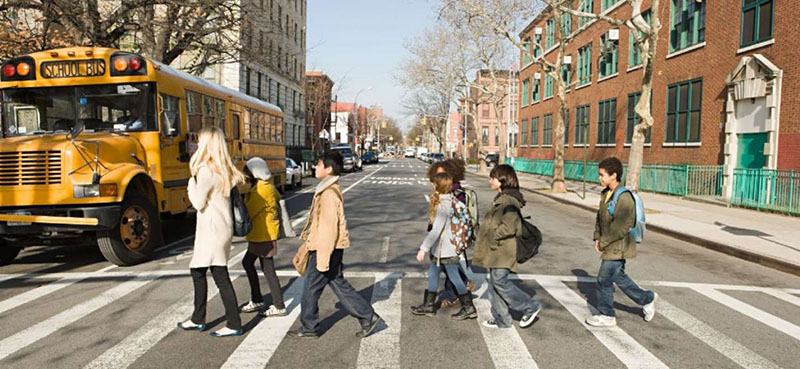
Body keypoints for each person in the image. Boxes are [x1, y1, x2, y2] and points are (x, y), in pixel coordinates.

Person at [287, 150, 381, 339]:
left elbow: (329, 228)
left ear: (328, 169)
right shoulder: (326, 189)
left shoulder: (328, 194)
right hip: (329, 248)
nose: (315, 167)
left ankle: (309, 327)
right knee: (338, 284)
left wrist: (323, 256)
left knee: (310, 289)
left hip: (325, 248)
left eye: (319, 164)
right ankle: (367, 316)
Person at [178, 126, 245, 337]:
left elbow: (198, 202)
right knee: (203, 271)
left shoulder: (206, 170)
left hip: (211, 229)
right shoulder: (225, 169)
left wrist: (190, 184)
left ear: (207, 144)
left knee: (214, 274)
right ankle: (200, 318)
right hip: (222, 228)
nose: (197, 144)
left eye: (200, 141)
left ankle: (231, 322)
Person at [586, 157, 657, 327]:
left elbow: (622, 227)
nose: (599, 178)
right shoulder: (605, 194)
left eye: (602, 175)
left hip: (619, 245)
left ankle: (607, 315)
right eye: (599, 175)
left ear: (614, 176)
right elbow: (600, 218)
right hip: (609, 243)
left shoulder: (624, 198)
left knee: (604, 279)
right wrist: (597, 236)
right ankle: (647, 298)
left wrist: (603, 242)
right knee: (619, 278)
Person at [473, 164, 540, 329]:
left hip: (502, 249)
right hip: (497, 249)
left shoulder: (508, 200)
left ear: (502, 180)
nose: (490, 180)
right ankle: (502, 319)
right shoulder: (502, 197)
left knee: (499, 281)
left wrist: (492, 236)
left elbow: (510, 226)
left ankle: (530, 306)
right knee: (494, 283)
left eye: (493, 178)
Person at [411, 172, 477, 320]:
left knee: (455, 278)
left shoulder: (444, 206)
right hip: (441, 251)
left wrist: (423, 248)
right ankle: (428, 307)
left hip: (447, 251)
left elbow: (436, 231)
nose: (433, 185)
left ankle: (469, 307)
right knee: (433, 274)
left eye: (434, 183)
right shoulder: (450, 200)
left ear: (438, 186)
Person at [239, 157, 286, 317]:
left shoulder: (262, 189)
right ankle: (257, 299)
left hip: (264, 234)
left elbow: (250, 211)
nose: (245, 176)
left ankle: (278, 305)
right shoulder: (266, 187)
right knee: (249, 263)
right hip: (260, 234)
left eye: (247, 173)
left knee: (268, 269)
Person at [426, 160, 475, 309]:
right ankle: (429, 305)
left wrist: (424, 247)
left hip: (449, 242)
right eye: (437, 174)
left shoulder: (454, 194)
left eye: (441, 174)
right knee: (439, 271)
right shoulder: (443, 193)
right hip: (444, 243)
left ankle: (460, 298)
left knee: (449, 270)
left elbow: (444, 222)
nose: (437, 176)